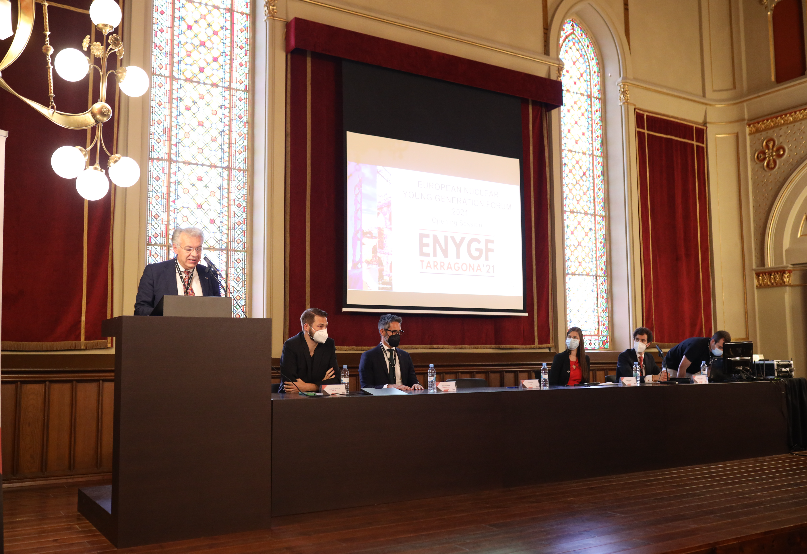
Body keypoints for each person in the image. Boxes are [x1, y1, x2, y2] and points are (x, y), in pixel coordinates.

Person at [134, 226, 222, 315]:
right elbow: (140, 309)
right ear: (175, 248)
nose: (195, 254)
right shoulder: (155, 272)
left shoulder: (209, 274)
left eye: (198, 249)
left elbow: (218, 310)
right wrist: (166, 314)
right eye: (189, 249)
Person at [279, 308, 340, 393]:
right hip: (291, 399)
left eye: (325, 326)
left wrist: (310, 387)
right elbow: (291, 384)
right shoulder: (291, 345)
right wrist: (322, 383)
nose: (324, 330)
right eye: (320, 326)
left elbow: (336, 380)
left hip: (319, 399)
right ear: (306, 327)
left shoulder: (328, 344)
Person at [358, 314, 424, 391]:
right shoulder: (369, 356)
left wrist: (416, 384)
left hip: (404, 399)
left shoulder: (405, 356)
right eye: (394, 332)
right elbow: (366, 387)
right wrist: (388, 387)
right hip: (381, 400)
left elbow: (413, 381)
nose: (397, 335)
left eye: (399, 332)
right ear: (382, 331)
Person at [666, 330, 731, 378]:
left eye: (723, 348)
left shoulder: (714, 350)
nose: (721, 351)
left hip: (692, 369)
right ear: (712, 341)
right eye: (720, 347)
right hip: (673, 366)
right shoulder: (697, 346)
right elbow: (682, 367)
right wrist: (681, 387)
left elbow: (708, 370)